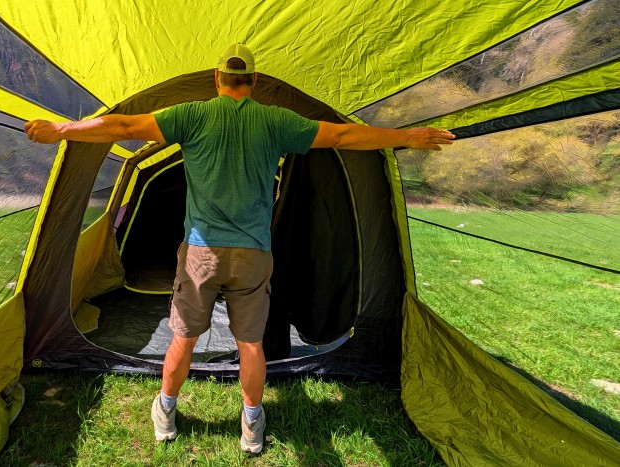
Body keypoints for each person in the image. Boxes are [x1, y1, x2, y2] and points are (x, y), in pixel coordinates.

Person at [24, 43, 454, 454]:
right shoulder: (275, 121)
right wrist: (406, 136)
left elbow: (122, 126)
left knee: (183, 337)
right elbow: (342, 137)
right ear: (254, 80)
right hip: (252, 254)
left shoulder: (191, 115)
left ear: (217, 78)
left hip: (200, 254)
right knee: (251, 344)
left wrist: (64, 129)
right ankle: (251, 424)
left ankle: (167, 413)